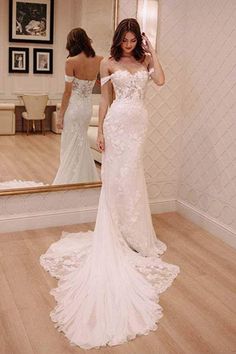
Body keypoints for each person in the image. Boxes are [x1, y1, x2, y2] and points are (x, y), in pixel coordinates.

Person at [40, 18, 180, 349]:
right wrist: (101, 130)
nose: (130, 44)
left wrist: (155, 52)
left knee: (132, 177)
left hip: (138, 125)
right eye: (126, 40)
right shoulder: (108, 62)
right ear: (119, 39)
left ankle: (135, 235)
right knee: (115, 179)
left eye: (135, 40)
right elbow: (104, 100)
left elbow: (160, 80)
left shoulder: (146, 61)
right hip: (117, 125)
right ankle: (118, 233)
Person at [52, 28, 102, 185]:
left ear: (72, 43)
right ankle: (84, 179)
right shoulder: (99, 59)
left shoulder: (71, 61)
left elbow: (67, 92)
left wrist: (60, 115)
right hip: (87, 108)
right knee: (81, 142)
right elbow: (101, 83)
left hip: (74, 109)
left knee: (70, 144)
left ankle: (68, 180)